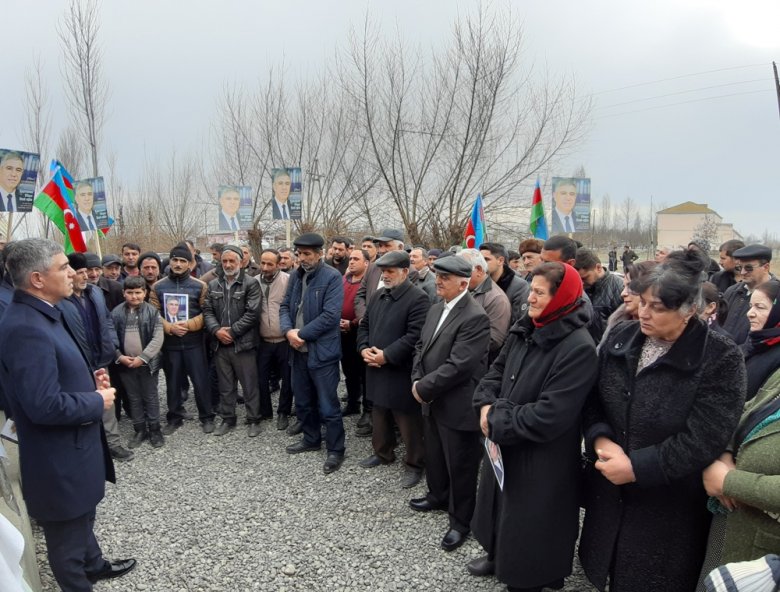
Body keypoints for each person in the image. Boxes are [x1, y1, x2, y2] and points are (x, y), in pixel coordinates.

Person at [579, 249, 746, 592]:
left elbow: (706, 435)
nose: (644, 313)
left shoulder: (720, 355)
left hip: (669, 504)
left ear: (689, 311)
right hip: (610, 490)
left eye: (658, 307)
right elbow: (594, 398)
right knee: (609, 572)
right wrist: (600, 439)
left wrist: (638, 468)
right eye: (643, 303)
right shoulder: (622, 337)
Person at [0, 238, 135, 590]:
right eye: (63, 267)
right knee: (66, 544)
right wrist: (97, 401)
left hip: (73, 448)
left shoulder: (45, 311)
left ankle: (95, 564)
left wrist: (88, 381)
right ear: (37, 279)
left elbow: (53, 371)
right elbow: (41, 404)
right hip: (57, 458)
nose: (73, 273)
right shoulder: (25, 327)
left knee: (81, 519)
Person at [469, 262, 598, 592]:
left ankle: (530, 577)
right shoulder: (527, 326)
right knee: (500, 507)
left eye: (540, 293)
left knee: (532, 527)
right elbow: (495, 373)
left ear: (561, 297)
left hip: (542, 457)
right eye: (531, 291)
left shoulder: (578, 347)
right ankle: (499, 555)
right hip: (505, 440)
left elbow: (550, 415)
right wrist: (485, 405)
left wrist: (495, 419)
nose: (531, 299)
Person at [698, 279, 780, 577]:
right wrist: (723, 452)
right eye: (751, 305)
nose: (750, 313)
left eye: (761, 307)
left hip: (766, 548)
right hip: (737, 523)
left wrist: (729, 481)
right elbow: (745, 409)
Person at [409, 256, 491, 552]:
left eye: (445, 277)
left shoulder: (475, 316)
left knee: (461, 465)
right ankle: (437, 495)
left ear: (463, 283)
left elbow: (460, 366)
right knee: (436, 454)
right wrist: (417, 379)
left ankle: (461, 521)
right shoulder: (436, 308)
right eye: (437, 276)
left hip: (457, 403)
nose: (438, 281)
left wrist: (423, 387)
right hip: (431, 397)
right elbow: (421, 347)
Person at [357, 250, 430, 488]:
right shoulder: (379, 295)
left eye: (390, 271)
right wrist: (363, 349)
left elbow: (414, 336)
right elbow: (365, 325)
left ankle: (414, 463)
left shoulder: (418, 298)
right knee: (380, 414)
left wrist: (387, 356)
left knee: (407, 419)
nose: (385, 275)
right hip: (375, 366)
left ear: (405, 272)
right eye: (383, 271)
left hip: (400, 369)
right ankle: (383, 453)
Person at [280, 233, 346, 474]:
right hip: (297, 351)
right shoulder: (296, 277)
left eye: (308, 254)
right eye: (299, 254)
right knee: (304, 400)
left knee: (328, 405)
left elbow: (330, 316)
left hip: (321, 352)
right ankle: (311, 439)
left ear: (320, 254)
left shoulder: (332, 277)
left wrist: (301, 335)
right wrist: (288, 331)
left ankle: (336, 449)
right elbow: (285, 306)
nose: (303, 258)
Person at [60, 253, 134, 463]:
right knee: (84, 405)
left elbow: (107, 321)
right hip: (78, 363)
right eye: (80, 272)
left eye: (87, 272)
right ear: (69, 274)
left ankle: (113, 444)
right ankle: (89, 448)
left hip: (101, 359)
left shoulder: (95, 293)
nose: (86, 277)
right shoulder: (61, 301)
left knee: (106, 404)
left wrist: (111, 344)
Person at [149, 243, 216, 435]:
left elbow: (207, 313)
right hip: (170, 344)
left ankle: (207, 417)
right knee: (173, 381)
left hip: (194, 342)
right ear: (170, 262)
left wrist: (188, 325)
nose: (178, 264)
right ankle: (175, 416)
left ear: (190, 264)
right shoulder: (158, 287)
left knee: (200, 381)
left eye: (182, 261)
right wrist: (170, 327)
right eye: (175, 260)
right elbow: (153, 313)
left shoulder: (200, 286)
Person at [203, 244, 263, 437]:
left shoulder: (251, 283)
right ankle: (228, 418)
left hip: (243, 344)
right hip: (220, 344)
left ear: (240, 262)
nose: (228, 265)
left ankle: (253, 419)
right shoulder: (213, 285)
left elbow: (252, 313)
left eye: (232, 261)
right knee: (226, 385)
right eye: (225, 261)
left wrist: (233, 332)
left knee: (249, 385)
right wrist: (216, 330)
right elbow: (208, 311)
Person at [111, 276, 165, 448]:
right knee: (133, 397)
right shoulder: (116, 313)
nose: (134, 296)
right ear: (123, 293)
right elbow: (109, 337)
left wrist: (143, 358)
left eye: (138, 292)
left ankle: (155, 429)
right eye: (130, 293)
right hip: (125, 364)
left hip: (148, 364)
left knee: (150, 396)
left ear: (145, 292)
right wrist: (119, 356)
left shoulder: (152, 312)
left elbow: (158, 337)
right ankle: (140, 429)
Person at [256, 249, 294, 431]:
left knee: (287, 379)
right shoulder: (254, 282)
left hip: (284, 340)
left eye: (270, 264)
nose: (265, 267)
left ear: (279, 264)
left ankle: (283, 412)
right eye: (262, 263)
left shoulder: (288, 281)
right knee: (261, 378)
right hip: (262, 341)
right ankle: (265, 411)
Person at [459, 249, 511, 362]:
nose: (459, 276)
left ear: (479, 270)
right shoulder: (464, 290)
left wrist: (458, 342)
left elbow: (494, 340)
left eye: (463, 271)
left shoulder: (497, 299)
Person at [719, 244, 773, 346]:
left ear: (766, 267)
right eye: (739, 268)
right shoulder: (731, 291)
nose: (743, 272)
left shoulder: (776, 296)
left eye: (749, 268)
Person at [340, 249, 370, 423]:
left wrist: (352, 323)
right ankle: (352, 403)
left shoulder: (369, 282)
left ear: (366, 263)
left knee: (364, 373)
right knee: (348, 370)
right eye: (350, 258)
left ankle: (368, 409)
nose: (351, 262)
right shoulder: (344, 280)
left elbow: (368, 308)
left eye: (356, 259)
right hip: (343, 333)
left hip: (361, 333)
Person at [574, 248, 624, 342]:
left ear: (598, 268)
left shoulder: (620, 288)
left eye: (584, 278)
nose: (581, 283)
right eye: (578, 279)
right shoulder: (577, 289)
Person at [479, 242, 530, 323]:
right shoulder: (478, 283)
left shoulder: (519, 286)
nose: (481, 263)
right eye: (480, 259)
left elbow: (518, 320)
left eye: (486, 259)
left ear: (500, 261)